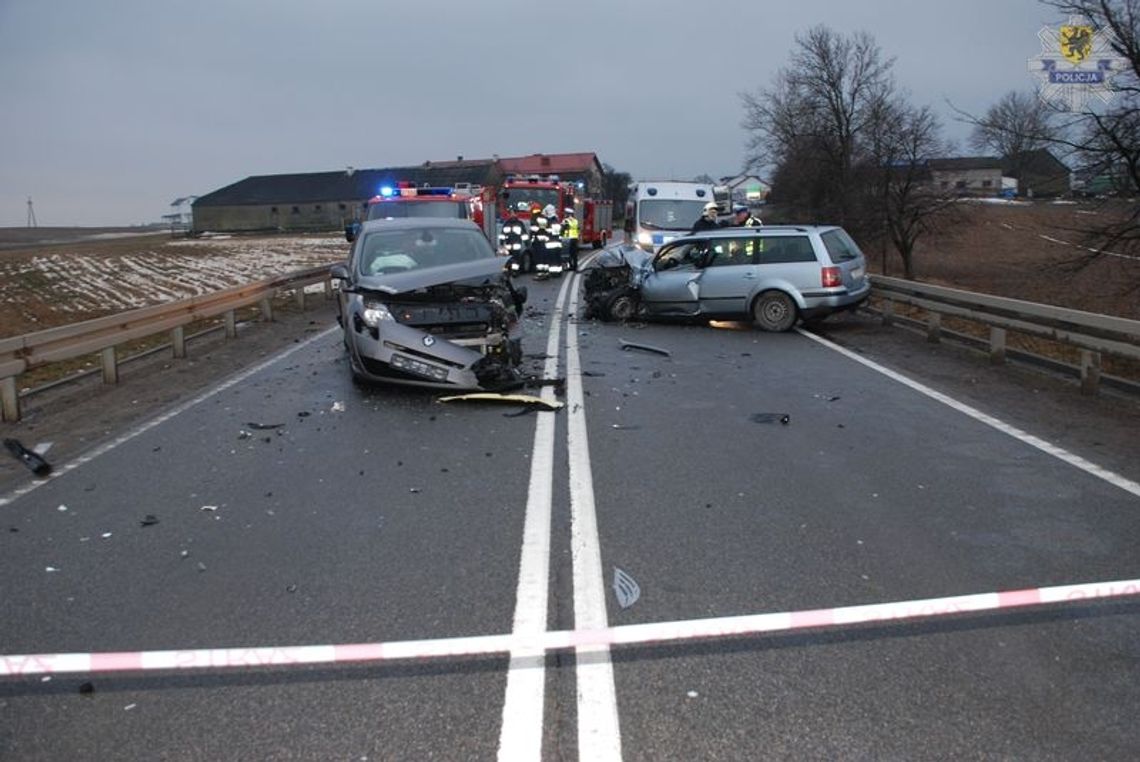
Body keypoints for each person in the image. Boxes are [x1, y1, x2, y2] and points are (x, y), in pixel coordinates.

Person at [562, 206, 580, 270]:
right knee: (574, 253)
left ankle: (569, 266)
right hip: (575, 239)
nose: (564, 214)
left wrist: (561, 236)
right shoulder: (575, 221)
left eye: (565, 213)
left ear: (567, 214)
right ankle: (575, 266)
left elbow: (562, 230)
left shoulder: (565, 221)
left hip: (568, 239)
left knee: (568, 253)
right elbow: (578, 229)